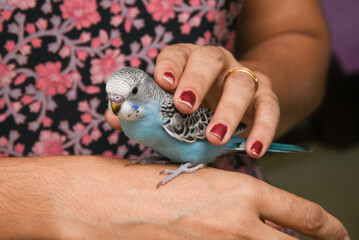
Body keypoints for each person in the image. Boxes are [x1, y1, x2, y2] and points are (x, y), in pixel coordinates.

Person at [0, 0, 349, 239]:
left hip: (219, 209)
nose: (119, 107)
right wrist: (42, 198)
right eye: (114, 101)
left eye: (126, 98)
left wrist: (252, 90)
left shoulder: (169, 112)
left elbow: (294, 33)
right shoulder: (129, 117)